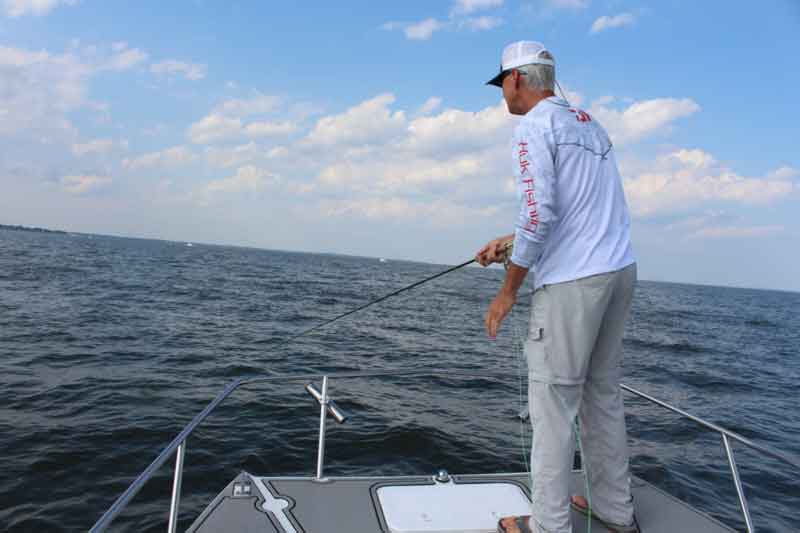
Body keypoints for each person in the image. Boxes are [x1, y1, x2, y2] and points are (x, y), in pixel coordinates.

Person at [476, 41, 639, 533]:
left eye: (501, 82)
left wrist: (507, 294)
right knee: (601, 398)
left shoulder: (533, 127)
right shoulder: (589, 125)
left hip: (572, 287)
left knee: (552, 407)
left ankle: (547, 527)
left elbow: (538, 214)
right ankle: (614, 510)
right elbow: (569, 214)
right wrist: (509, 244)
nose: (502, 92)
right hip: (618, 274)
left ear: (518, 80)